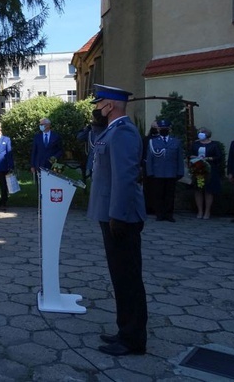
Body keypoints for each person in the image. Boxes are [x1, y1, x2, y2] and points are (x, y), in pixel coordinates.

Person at [87, 84, 147, 357]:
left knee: (128, 278)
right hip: (112, 214)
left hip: (120, 216)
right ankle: (125, 331)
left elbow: (125, 178)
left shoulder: (123, 132)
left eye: (98, 105)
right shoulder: (111, 131)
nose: (96, 110)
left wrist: (118, 215)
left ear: (109, 106)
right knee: (120, 277)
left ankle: (133, 339)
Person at [145, 119, 184, 222]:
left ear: (169, 129)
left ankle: (169, 214)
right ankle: (159, 214)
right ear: (158, 129)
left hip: (171, 172)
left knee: (170, 195)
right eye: (162, 128)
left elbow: (180, 158)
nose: (163, 130)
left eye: (165, 128)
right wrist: (150, 172)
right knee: (158, 194)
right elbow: (150, 159)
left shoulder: (176, 141)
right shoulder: (153, 142)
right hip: (158, 173)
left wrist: (180, 172)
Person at [188, 127, 222, 220]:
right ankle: (200, 211)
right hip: (197, 168)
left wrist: (208, 158)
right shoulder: (195, 144)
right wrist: (194, 157)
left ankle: (207, 211)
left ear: (207, 134)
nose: (200, 133)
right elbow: (189, 154)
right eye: (199, 132)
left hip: (210, 169)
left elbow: (218, 156)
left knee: (208, 190)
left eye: (202, 132)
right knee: (198, 189)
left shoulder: (214, 144)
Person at [142, 121, 160, 215]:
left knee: (157, 188)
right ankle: (148, 207)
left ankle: (156, 207)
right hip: (147, 166)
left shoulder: (161, 139)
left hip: (159, 167)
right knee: (148, 188)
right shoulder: (146, 139)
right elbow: (142, 152)